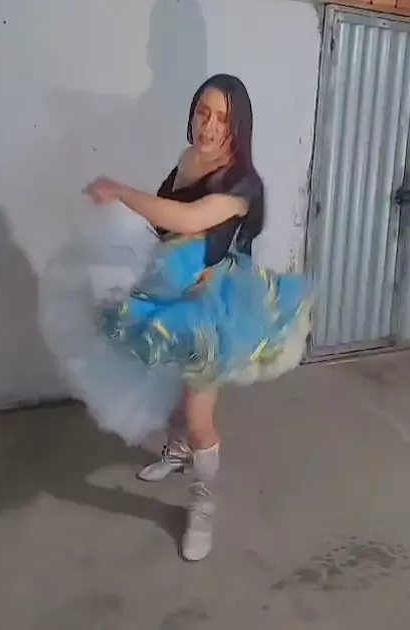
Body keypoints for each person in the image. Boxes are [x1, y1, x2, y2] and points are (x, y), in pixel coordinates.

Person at [41, 74, 311, 562]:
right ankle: (177, 450)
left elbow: (189, 220)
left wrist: (120, 191)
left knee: (197, 410)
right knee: (165, 374)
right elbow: (164, 220)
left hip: (217, 301)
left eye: (222, 118)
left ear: (238, 126)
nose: (209, 125)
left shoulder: (242, 182)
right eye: (203, 112)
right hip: (175, 282)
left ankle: (203, 502)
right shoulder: (189, 159)